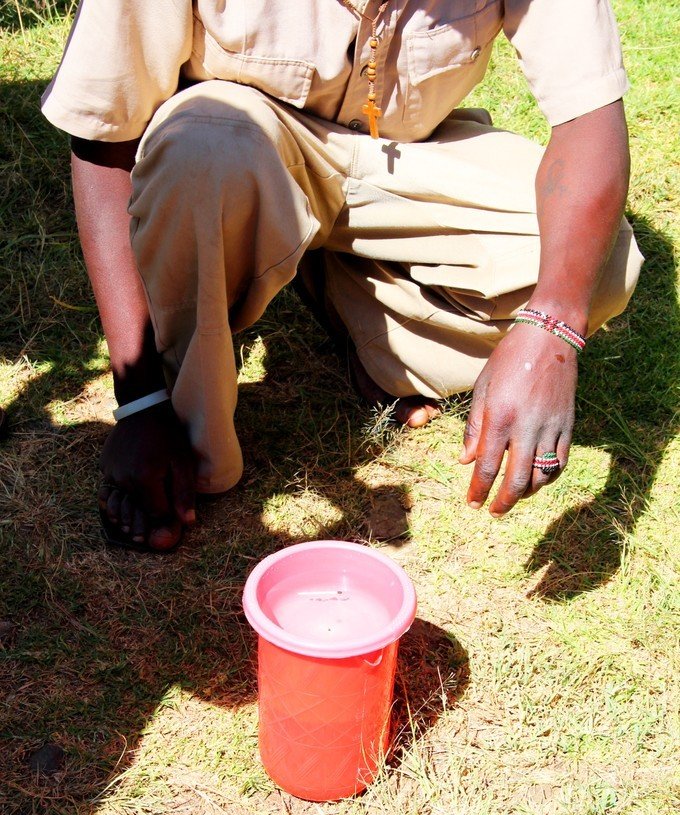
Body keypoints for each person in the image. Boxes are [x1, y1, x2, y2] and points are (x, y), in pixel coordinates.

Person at [42, 0, 643, 551]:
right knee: (206, 145)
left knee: (600, 262)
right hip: (241, 154)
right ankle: (184, 423)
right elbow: (103, 137)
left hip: (401, 160)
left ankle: (348, 308)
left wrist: (553, 323)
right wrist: (139, 400)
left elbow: (588, 117)